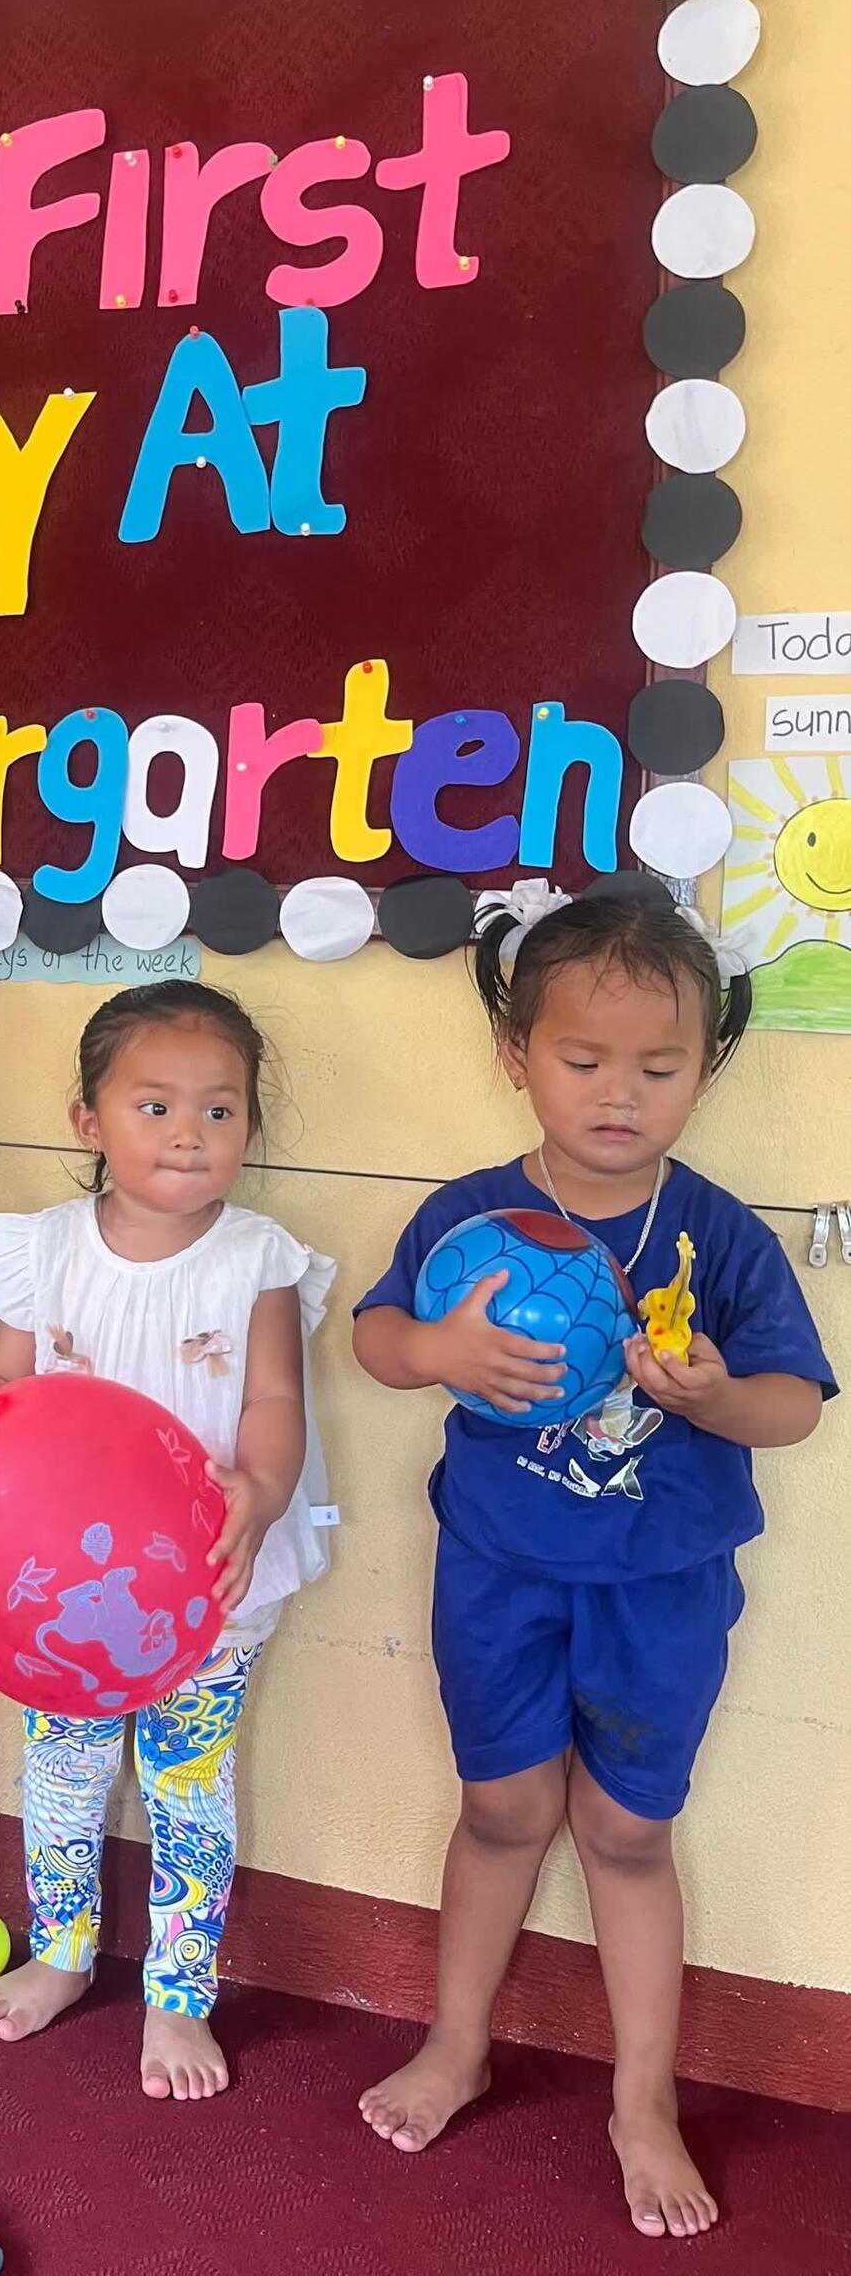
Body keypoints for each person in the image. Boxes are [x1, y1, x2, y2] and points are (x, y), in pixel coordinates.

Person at [351, 888, 833, 2240]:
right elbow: (377, 1338)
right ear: (517, 1055)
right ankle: (458, 2044)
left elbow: (793, 1407)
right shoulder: (470, 1217)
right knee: (501, 1811)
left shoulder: (718, 1234)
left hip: (660, 1584)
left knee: (626, 1832)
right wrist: (434, 1349)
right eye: (582, 1058)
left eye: (659, 1067)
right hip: (497, 1570)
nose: (619, 1093)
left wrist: (712, 1394)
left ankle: (641, 2099)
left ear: (706, 1069)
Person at [0, 979, 333, 2102]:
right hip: (64, 1594)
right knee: (65, 1768)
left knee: (186, 1787)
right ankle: (61, 1951)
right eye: (155, 1106)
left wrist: (265, 1486)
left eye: (219, 1109)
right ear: (88, 1121)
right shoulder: (45, 1248)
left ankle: (179, 1993)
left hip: (207, 1585)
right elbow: (4, 1382)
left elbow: (275, 1403)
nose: (189, 1132)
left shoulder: (257, 1258)